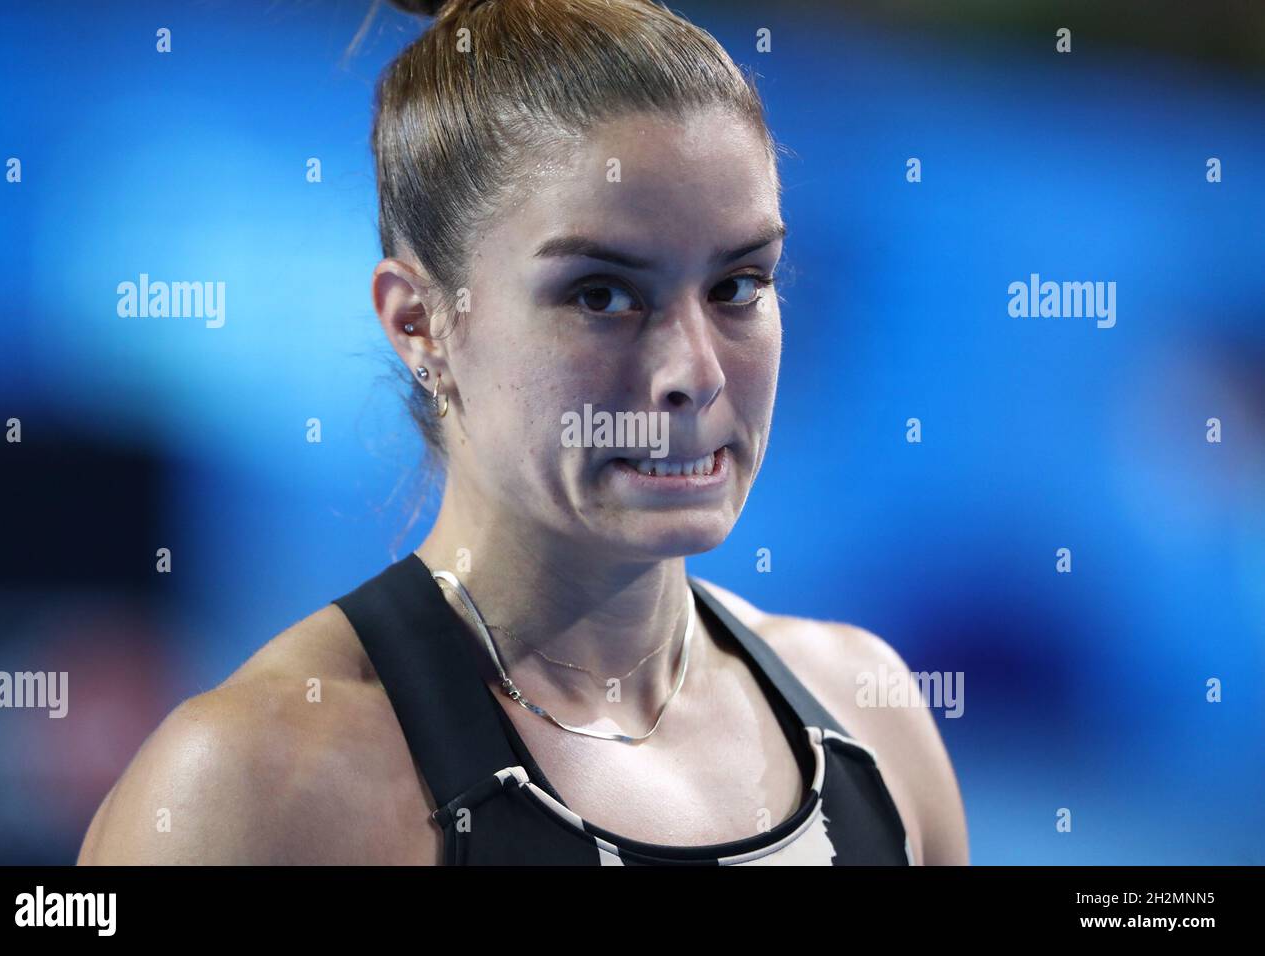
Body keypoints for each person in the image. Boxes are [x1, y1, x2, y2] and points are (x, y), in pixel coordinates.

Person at [78, 0, 968, 865]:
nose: (695, 373)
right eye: (601, 295)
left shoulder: (868, 717)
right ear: (419, 322)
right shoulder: (254, 786)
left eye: (737, 285)